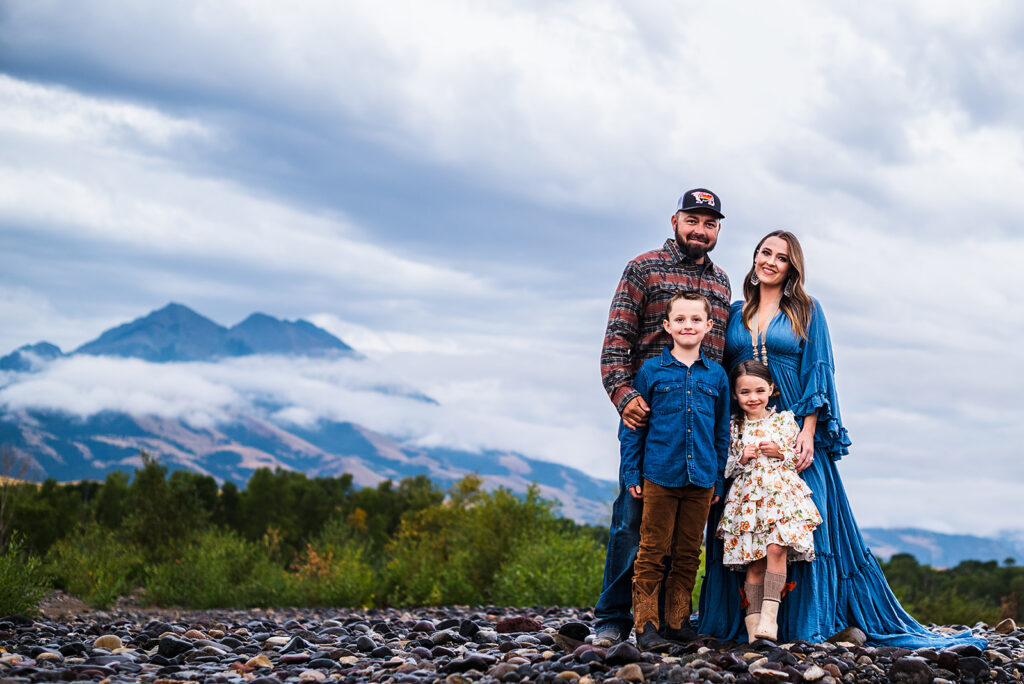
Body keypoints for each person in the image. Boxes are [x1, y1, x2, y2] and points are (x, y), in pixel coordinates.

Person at [696, 230, 987, 648]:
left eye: (781, 257)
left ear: (792, 266)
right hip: (744, 432)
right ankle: (742, 621)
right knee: (742, 524)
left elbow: (819, 369)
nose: (771, 262)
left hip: (792, 426)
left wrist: (809, 431)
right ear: (755, 257)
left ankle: (802, 622)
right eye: (765, 252)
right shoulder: (736, 311)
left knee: (806, 523)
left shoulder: (807, 312)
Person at [596, 188, 732, 647]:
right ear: (675, 220)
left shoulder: (721, 283)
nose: (701, 230)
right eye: (693, 220)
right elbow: (616, 340)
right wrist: (623, 394)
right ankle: (614, 618)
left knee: (687, 539)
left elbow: (718, 358)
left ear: (718, 229)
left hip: (701, 424)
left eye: (710, 223)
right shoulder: (644, 268)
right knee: (633, 522)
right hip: (649, 416)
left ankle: (678, 620)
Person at [618, 292, 730, 650]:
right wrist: (632, 473)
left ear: (708, 327)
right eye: (680, 319)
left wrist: (716, 480)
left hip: (701, 480)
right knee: (652, 550)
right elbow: (633, 427)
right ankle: (646, 625)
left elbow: (721, 432)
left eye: (696, 320)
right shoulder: (651, 371)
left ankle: (678, 622)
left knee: (687, 553)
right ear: (667, 326)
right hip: (660, 476)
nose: (688, 326)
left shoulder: (717, 376)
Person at [717, 360, 822, 643]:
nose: (753, 398)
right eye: (745, 392)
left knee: (777, 549)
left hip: (779, 497)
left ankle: (770, 618)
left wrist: (779, 452)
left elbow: (798, 460)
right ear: (736, 396)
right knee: (755, 563)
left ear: (771, 389)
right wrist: (741, 458)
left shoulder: (784, 420)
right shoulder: (732, 427)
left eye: (759, 390)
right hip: (748, 501)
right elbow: (724, 468)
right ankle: (754, 629)